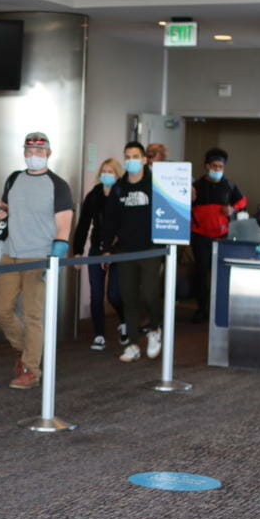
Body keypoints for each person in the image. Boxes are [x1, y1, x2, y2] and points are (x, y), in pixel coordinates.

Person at [0, 132, 73, 389]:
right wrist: (2, 213)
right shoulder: (14, 178)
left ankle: (31, 369)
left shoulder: (58, 185)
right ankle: (26, 350)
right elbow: (9, 210)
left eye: (39, 151)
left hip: (38, 256)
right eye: (29, 151)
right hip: (11, 252)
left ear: (48, 153)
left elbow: (64, 226)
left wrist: (54, 261)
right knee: (0, 307)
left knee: (33, 314)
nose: (33, 156)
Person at [102, 141, 162, 363]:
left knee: (149, 293)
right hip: (126, 249)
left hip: (151, 248)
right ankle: (134, 344)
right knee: (128, 297)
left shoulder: (155, 184)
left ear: (145, 159)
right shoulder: (119, 187)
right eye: (127, 156)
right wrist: (106, 248)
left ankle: (155, 329)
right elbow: (110, 221)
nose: (131, 161)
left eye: (136, 156)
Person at [72, 158, 129, 351]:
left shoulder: (124, 194)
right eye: (104, 171)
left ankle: (124, 322)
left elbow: (127, 226)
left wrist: (112, 249)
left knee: (114, 294)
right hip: (96, 249)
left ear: (118, 174)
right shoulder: (94, 195)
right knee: (96, 295)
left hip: (119, 251)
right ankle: (99, 334)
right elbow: (83, 225)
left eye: (111, 171)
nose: (107, 174)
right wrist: (78, 251)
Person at [190, 147, 246, 323]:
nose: (217, 170)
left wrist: (232, 209)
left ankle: (218, 308)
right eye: (214, 166)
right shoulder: (196, 186)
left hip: (222, 236)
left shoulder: (229, 185)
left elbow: (242, 201)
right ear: (207, 166)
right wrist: (189, 199)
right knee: (201, 272)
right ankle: (201, 308)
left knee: (219, 273)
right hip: (199, 236)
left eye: (220, 167)